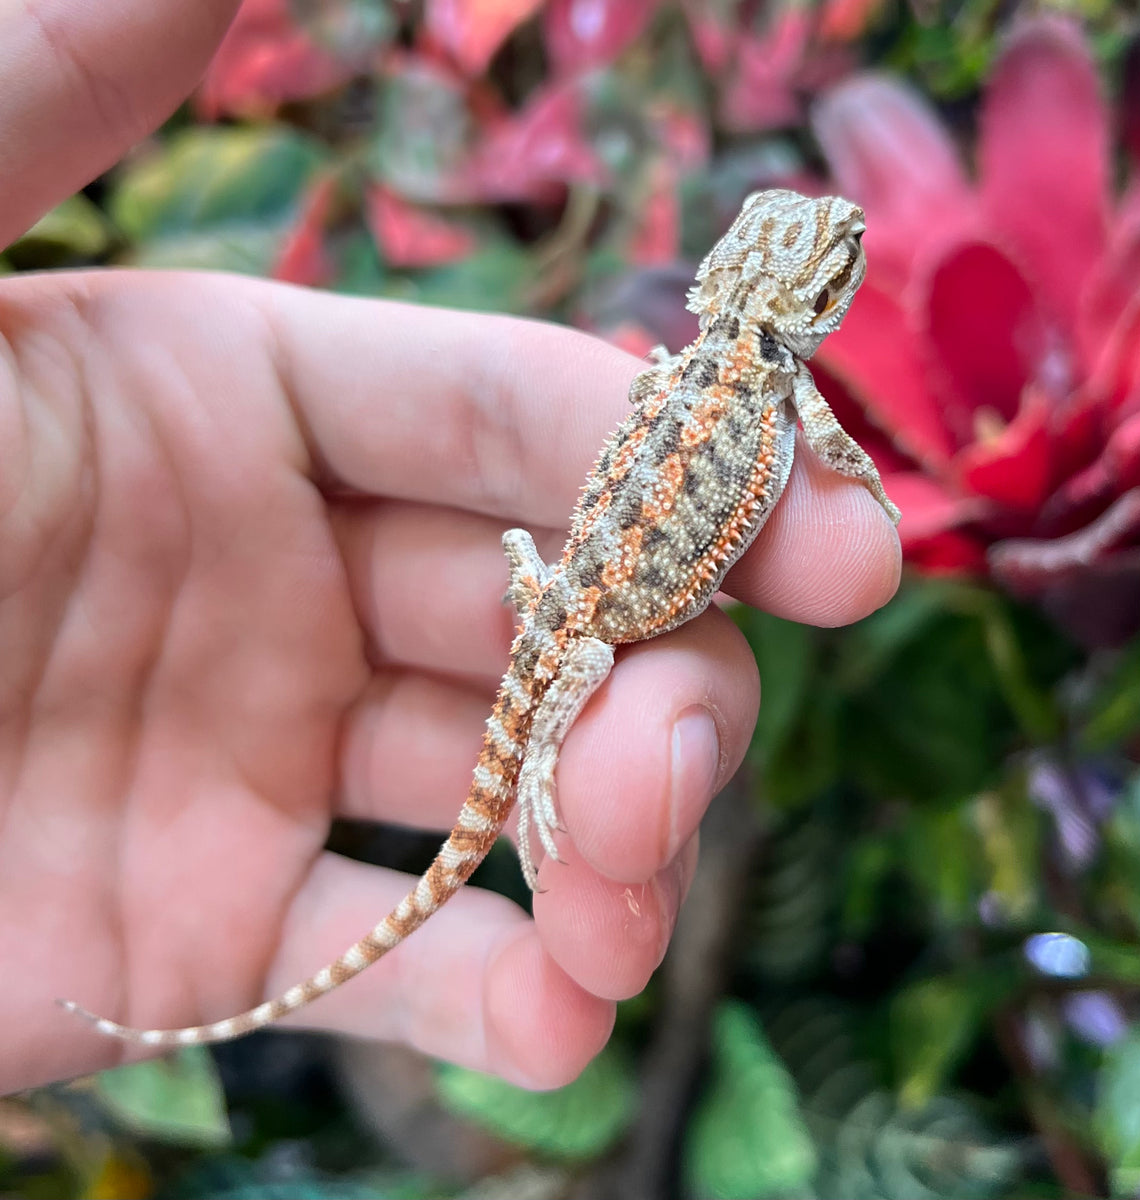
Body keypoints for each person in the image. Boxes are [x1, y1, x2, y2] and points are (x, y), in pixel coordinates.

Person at [0, 0, 900, 1096]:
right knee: (573, 725)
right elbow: (836, 456)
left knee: (602, 707)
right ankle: (539, 791)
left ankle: (537, 775)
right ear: (800, 295)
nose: (847, 245)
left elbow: (817, 454)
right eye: (835, 252)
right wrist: (865, 482)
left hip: (567, 594)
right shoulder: (768, 396)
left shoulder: (737, 379)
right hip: (584, 616)